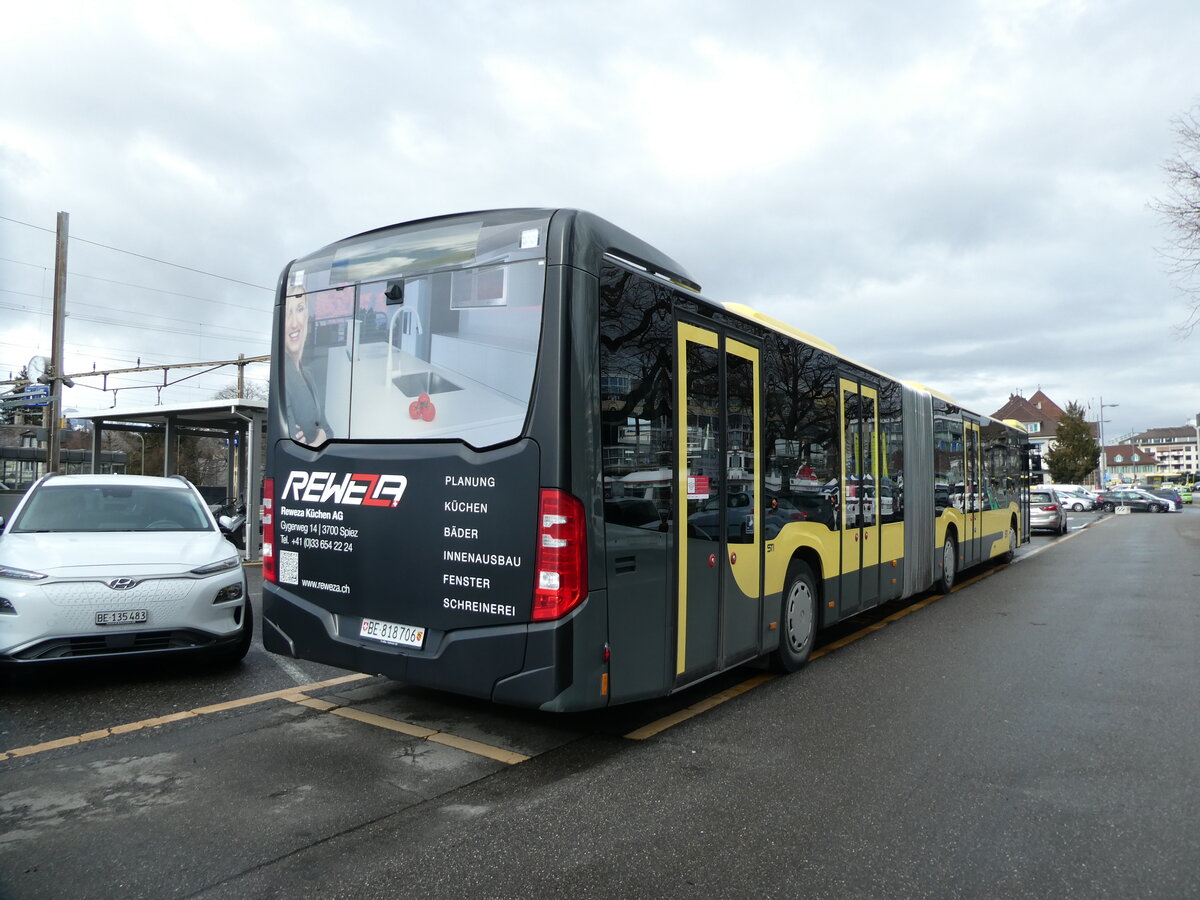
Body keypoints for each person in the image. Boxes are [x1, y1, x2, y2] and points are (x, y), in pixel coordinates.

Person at [283, 292, 332, 445]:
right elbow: (294, 443)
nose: (294, 323)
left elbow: (329, 431)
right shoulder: (282, 375)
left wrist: (321, 435)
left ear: (307, 319)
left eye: (300, 310)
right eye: (288, 313)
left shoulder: (307, 374)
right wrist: (320, 438)